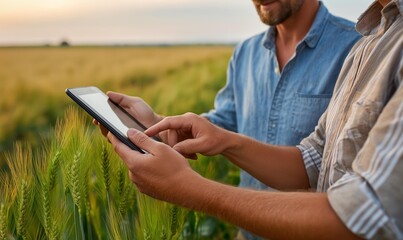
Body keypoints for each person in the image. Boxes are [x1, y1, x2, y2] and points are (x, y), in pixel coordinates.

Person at [105, 0, 402, 239]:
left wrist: (190, 188)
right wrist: (159, 123)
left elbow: (368, 213)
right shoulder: (371, 41)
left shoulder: (353, 42)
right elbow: (314, 158)